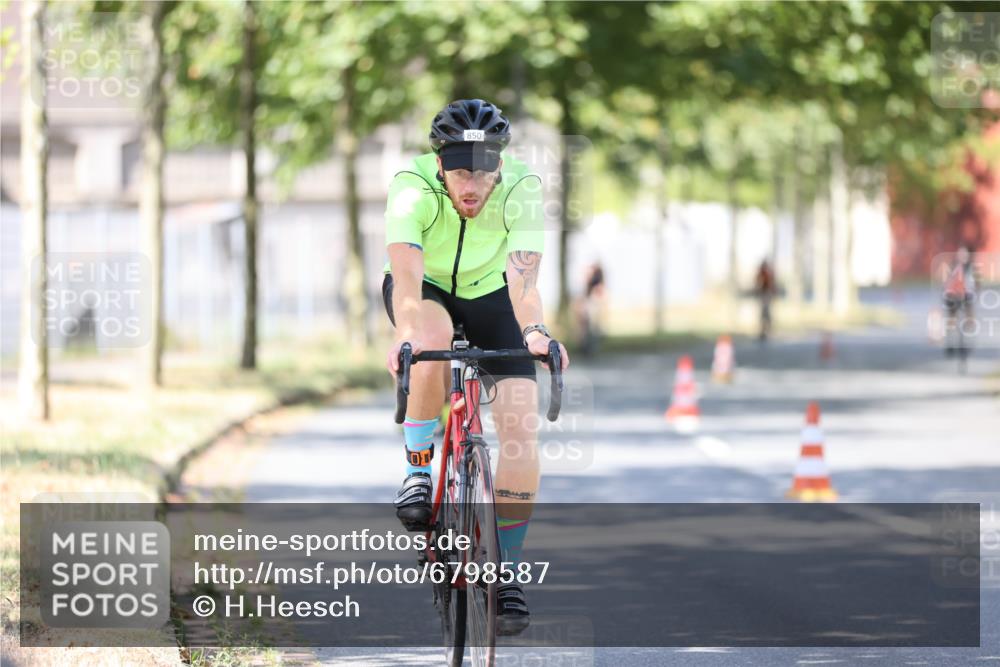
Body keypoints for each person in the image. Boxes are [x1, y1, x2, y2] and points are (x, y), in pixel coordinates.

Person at [381, 99, 569, 634]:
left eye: (484, 172)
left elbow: (524, 287)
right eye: (460, 170)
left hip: (493, 296)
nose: (472, 184)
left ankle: (506, 570)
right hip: (428, 293)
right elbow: (410, 280)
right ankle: (419, 471)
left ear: (500, 167)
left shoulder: (521, 190)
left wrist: (534, 331)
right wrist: (406, 333)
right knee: (431, 338)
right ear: (439, 162)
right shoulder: (411, 186)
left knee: (518, 426)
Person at [943, 245, 977, 356]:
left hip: (967, 296)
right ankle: (950, 343)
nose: (963, 256)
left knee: (969, 317)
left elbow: (976, 284)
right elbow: (947, 282)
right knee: (951, 319)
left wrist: (973, 293)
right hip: (953, 296)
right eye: (960, 254)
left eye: (965, 254)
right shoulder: (952, 266)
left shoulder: (972, 268)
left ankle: (966, 343)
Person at [754, 259, 777, 341]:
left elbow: (771, 284)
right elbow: (757, 283)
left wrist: (772, 292)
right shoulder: (762, 273)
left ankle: (767, 330)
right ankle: (763, 331)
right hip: (763, 294)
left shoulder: (768, 273)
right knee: (763, 313)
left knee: (766, 313)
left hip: (766, 294)